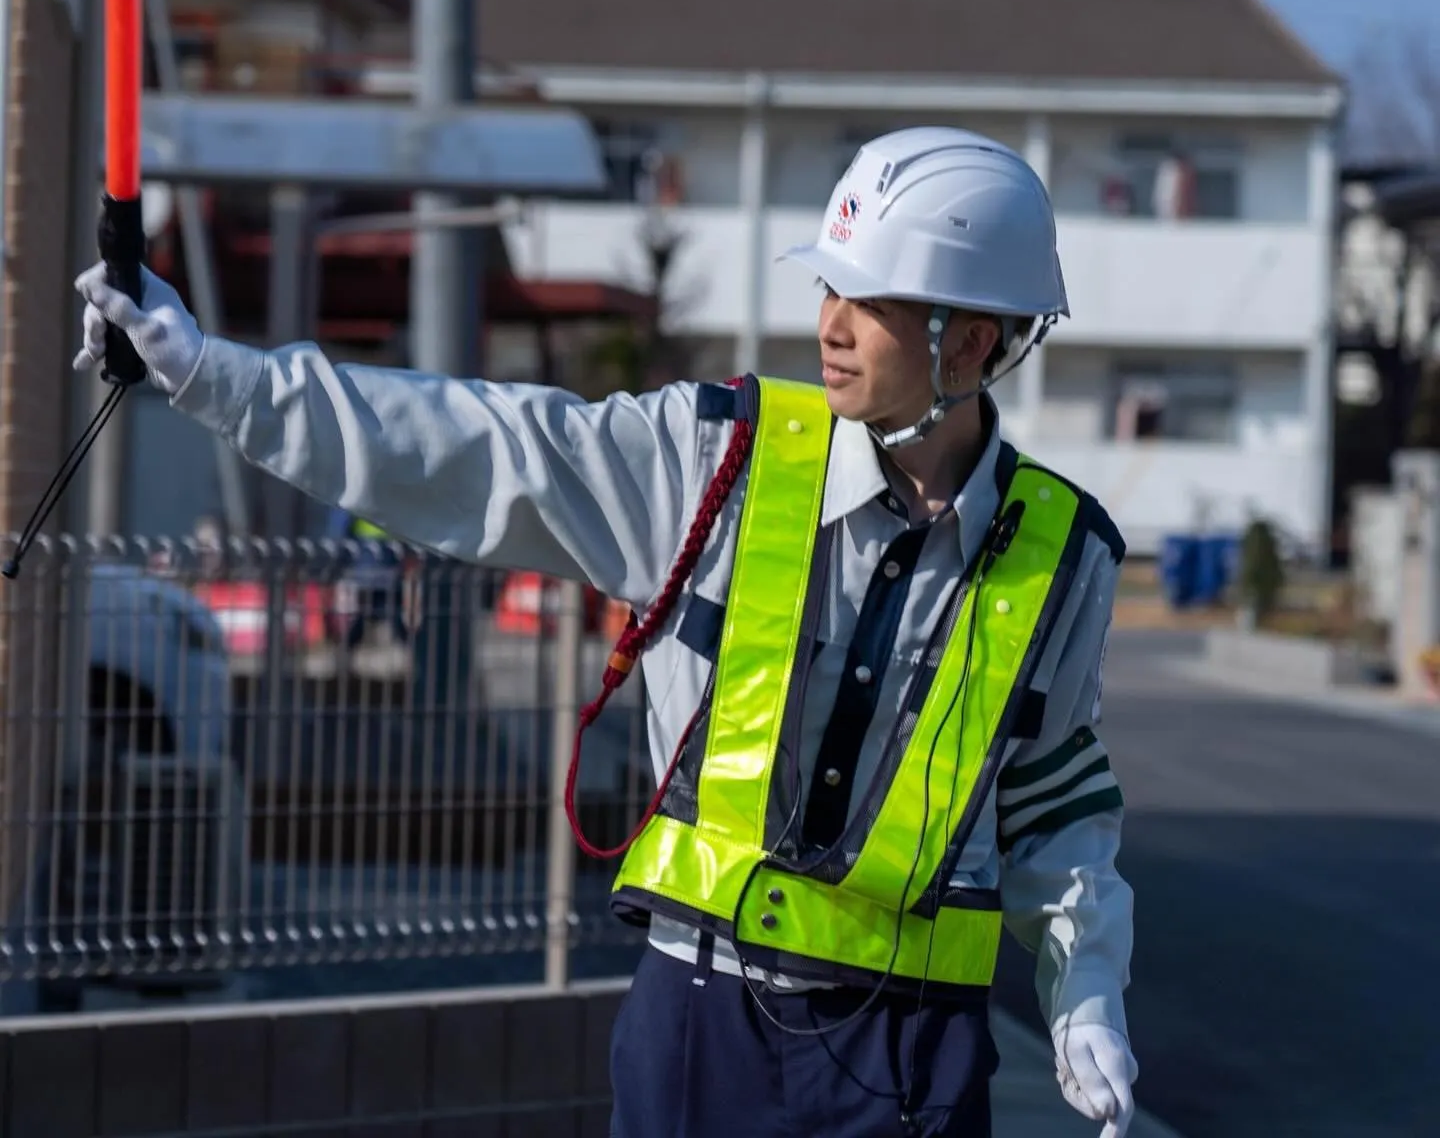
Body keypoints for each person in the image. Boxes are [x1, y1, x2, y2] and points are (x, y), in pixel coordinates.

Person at [73, 127, 1138, 1138]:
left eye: (872, 300)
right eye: (829, 285)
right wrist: (214, 375)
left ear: (976, 342)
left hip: (915, 1058)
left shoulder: (1063, 556)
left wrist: (1085, 990)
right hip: (700, 1024)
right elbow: (477, 447)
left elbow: (1053, 805)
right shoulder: (716, 460)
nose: (831, 322)